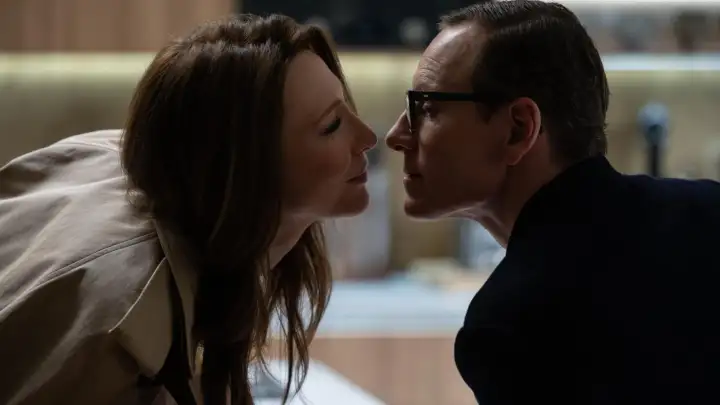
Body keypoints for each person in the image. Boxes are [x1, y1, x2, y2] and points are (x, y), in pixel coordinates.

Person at [0, 14, 376, 405]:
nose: (367, 137)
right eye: (332, 125)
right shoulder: (125, 330)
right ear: (244, 165)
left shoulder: (150, 165)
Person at [386, 1, 720, 404]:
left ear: (518, 129)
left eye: (427, 108)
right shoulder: (709, 210)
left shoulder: (512, 325)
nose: (396, 135)